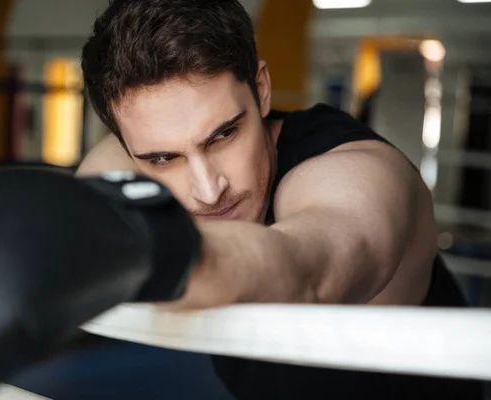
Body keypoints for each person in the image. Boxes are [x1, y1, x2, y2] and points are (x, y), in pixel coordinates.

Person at [76, 0, 484, 399]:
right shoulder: (131, 152)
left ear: (262, 89)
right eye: (164, 158)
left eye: (223, 135)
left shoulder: (357, 174)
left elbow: (307, 269)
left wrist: (160, 255)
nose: (208, 189)